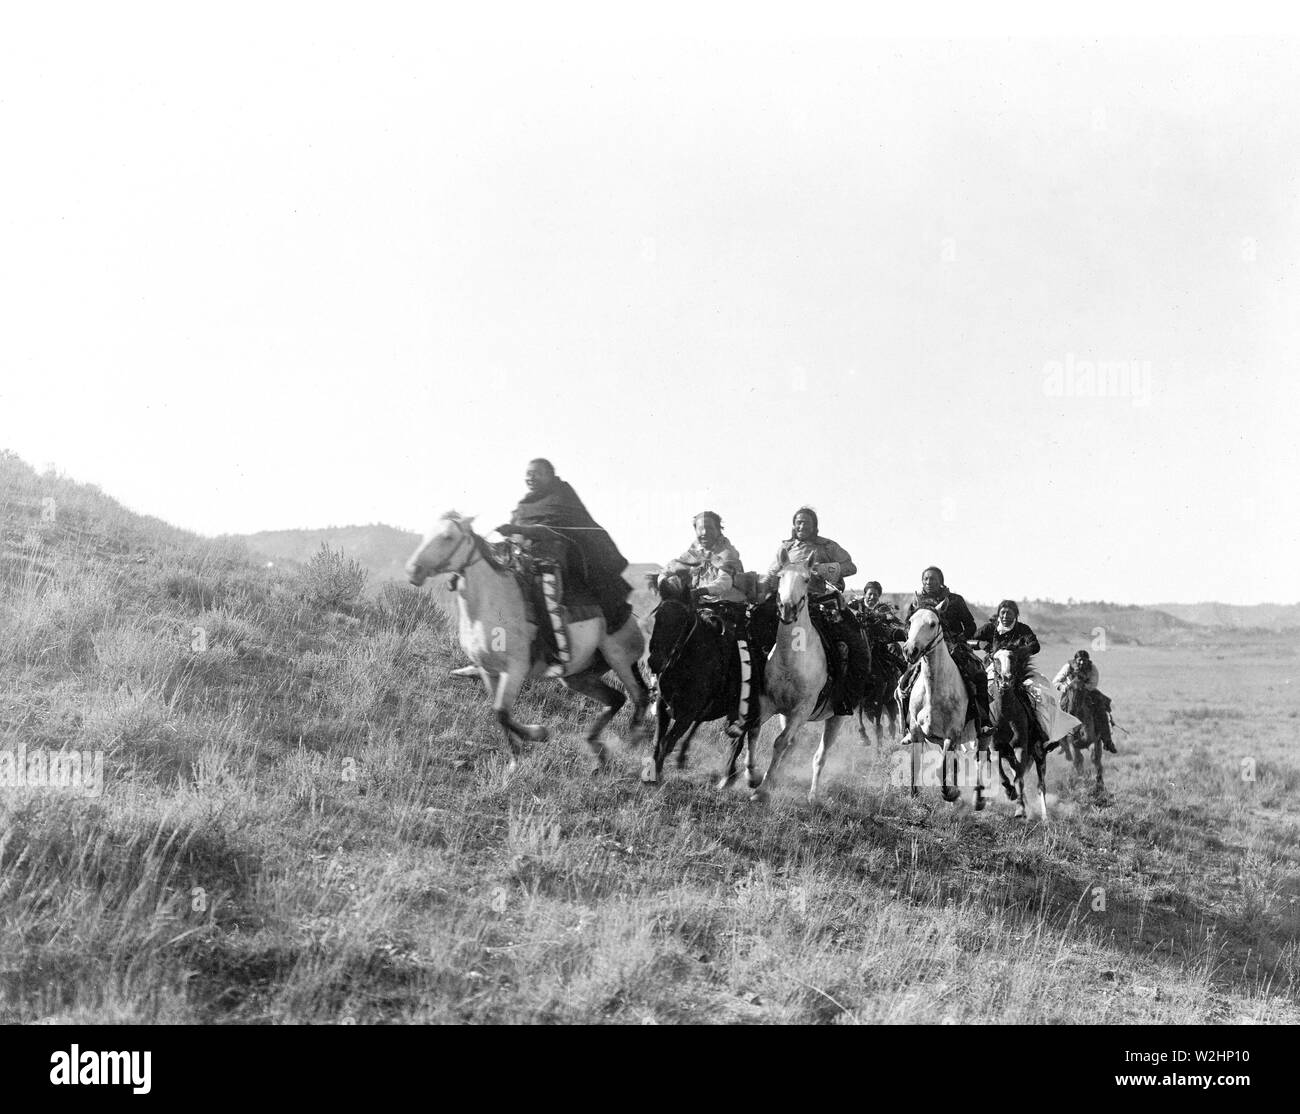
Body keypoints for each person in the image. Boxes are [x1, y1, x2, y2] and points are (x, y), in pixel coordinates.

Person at [496, 458, 632, 677]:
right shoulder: (524, 505)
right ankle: (495, 652)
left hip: (552, 565)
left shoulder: (561, 498)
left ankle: (553, 654)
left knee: (543, 596)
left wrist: (518, 529)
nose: (531, 477)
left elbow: (554, 531)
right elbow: (515, 538)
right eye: (528, 473)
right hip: (522, 564)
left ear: (551, 475)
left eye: (537, 473)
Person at [762, 507, 869, 716]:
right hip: (787, 605)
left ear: (814, 525)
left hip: (819, 604)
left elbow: (851, 566)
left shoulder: (826, 546)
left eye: (807, 522)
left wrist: (824, 569)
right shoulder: (786, 548)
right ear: (794, 525)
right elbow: (772, 573)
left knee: (850, 644)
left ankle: (843, 696)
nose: (802, 526)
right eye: (798, 522)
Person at [899, 566, 992, 737]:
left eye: (932, 579)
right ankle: (909, 727)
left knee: (978, 674)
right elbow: (908, 625)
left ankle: (984, 722)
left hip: (955, 647)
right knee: (904, 683)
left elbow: (970, 625)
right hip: (924, 649)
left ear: (941, 581)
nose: (928, 582)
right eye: (925, 579)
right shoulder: (917, 602)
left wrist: (959, 640)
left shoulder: (955, 600)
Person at [661, 511, 748, 605]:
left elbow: (725, 582)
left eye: (710, 528)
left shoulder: (727, 553)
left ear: (718, 530)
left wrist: (700, 591)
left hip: (727, 605)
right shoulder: (695, 552)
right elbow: (675, 566)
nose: (705, 533)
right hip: (701, 603)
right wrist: (663, 579)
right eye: (700, 529)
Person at [1054, 649, 1116, 753]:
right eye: (1080, 660)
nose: (1082, 662)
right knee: (1059, 710)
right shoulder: (1068, 667)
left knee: (1101, 709)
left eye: (1084, 660)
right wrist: (1067, 687)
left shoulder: (1092, 668)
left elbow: (1093, 684)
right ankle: (1058, 740)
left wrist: (1082, 687)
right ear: (1075, 660)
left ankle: (1107, 740)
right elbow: (1056, 682)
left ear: (1088, 661)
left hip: (1088, 692)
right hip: (1070, 691)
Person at [972, 600, 1042, 656]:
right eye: (1003, 613)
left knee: (1035, 674)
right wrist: (980, 644)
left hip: (1017, 666)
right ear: (999, 614)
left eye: (1009, 613)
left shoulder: (1023, 629)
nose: (1005, 616)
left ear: (1015, 615)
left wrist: (1019, 652)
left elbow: (1035, 646)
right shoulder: (989, 628)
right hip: (992, 665)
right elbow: (968, 641)